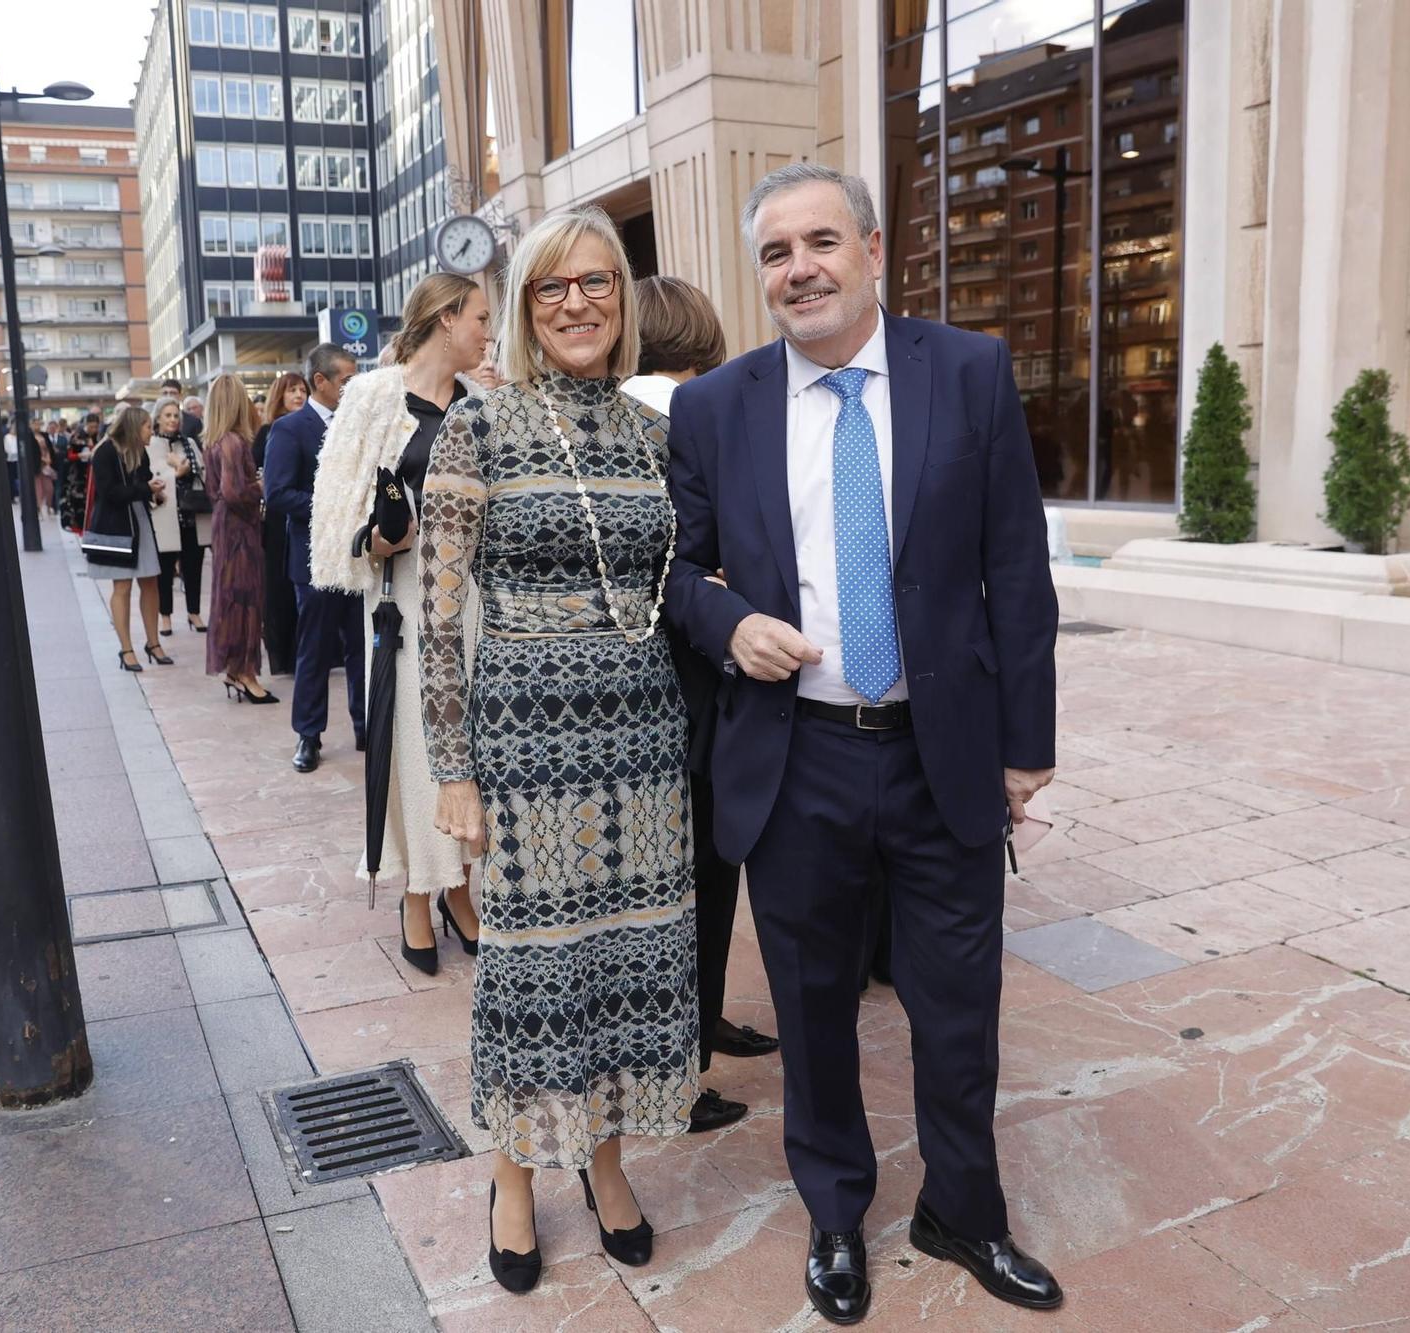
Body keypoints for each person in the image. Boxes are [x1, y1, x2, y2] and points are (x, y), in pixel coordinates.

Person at [665, 164, 1063, 1323]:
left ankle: (963, 1212)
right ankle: (835, 1215)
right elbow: (677, 574)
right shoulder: (714, 407)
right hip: (797, 758)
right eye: (776, 253)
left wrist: (1024, 747)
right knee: (812, 1002)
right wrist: (729, 621)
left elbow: (1015, 573)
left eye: (821, 242)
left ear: (874, 250)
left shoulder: (970, 372)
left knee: (957, 1001)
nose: (800, 268)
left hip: (942, 749)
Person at [410, 211, 693, 1295]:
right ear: (524, 306)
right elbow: (438, 620)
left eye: (596, 283)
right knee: (531, 976)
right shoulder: (475, 431)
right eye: (548, 288)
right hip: (524, 740)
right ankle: (516, 1179)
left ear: (622, 299)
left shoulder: (652, 433)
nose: (575, 303)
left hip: (644, 738)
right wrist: (452, 771)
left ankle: (606, 1163)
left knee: (627, 969)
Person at [619, 275, 779, 1137]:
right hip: (703, 673)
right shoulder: (698, 415)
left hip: (650, 682)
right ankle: (681, 1064)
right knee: (703, 878)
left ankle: (694, 1035)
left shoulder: (611, 414)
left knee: (682, 880)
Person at [309, 273, 488, 979]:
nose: (487, 332)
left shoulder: (482, 402)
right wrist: (374, 538)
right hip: (402, 596)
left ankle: (460, 885)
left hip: (476, 600)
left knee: (467, 743)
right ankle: (419, 892)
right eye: (479, 317)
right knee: (415, 749)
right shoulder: (374, 398)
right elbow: (333, 518)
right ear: (447, 318)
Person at [265, 345, 363, 772]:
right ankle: (308, 735)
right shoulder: (290, 429)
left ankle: (367, 728)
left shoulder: (360, 423)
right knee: (315, 651)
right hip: (314, 560)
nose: (353, 387)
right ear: (319, 382)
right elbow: (279, 494)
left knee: (363, 648)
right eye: (346, 380)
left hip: (361, 557)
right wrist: (338, 505)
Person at [201, 375, 273, 703]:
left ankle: (237, 670)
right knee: (245, 600)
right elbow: (234, 492)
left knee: (231, 598)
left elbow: (216, 490)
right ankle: (245, 672)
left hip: (225, 526)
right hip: (238, 529)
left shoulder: (214, 441)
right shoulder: (233, 442)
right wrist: (261, 486)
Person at [85, 404, 171, 672]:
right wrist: (145, 489)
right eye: (147, 426)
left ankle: (153, 643)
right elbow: (109, 492)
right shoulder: (106, 451)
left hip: (139, 521)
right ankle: (127, 649)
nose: (151, 431)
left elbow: (142, 481)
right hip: (116, 527)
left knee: (151, 583)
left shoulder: (140, 452)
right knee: (122, 587)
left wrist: (152, 491)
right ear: (135, 426)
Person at [254, 371, 308, 676]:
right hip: (277, 520)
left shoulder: (315, 427)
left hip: (301, 519)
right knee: (279, 587)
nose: (298, 395)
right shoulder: (270, 431)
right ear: (280, 396)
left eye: (302, 390)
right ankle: (284, 655)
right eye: (292, 391)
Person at [149, 399, 210, 635]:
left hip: (192, 514)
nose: (173, 419)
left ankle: (194, 612)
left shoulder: (190, 443)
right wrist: (176, 472)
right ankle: (165, 616)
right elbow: (153, 478)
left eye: (176, 415)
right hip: (165, 515)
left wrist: (189, 470)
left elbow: (203, 472)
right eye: (168, 415)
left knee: (193, 565)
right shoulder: (151, 445)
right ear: (158, 418)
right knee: (165, 570)